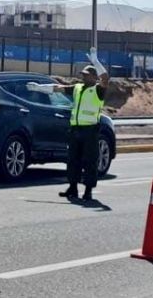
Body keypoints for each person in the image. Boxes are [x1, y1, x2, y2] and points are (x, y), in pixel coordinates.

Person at [27, 48, 109, 201]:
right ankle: (73, 188)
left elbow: (105, 79)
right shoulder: (77, 88)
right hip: (75, 129)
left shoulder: (98, 90)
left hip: (90, 130)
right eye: (83, 75)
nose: (84, 77)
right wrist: (39, 88)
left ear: (93, 77)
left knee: (90, 161)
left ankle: (88, 191)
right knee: (72, 160)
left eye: (86, 75)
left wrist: (96, 62)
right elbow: (58, 89)